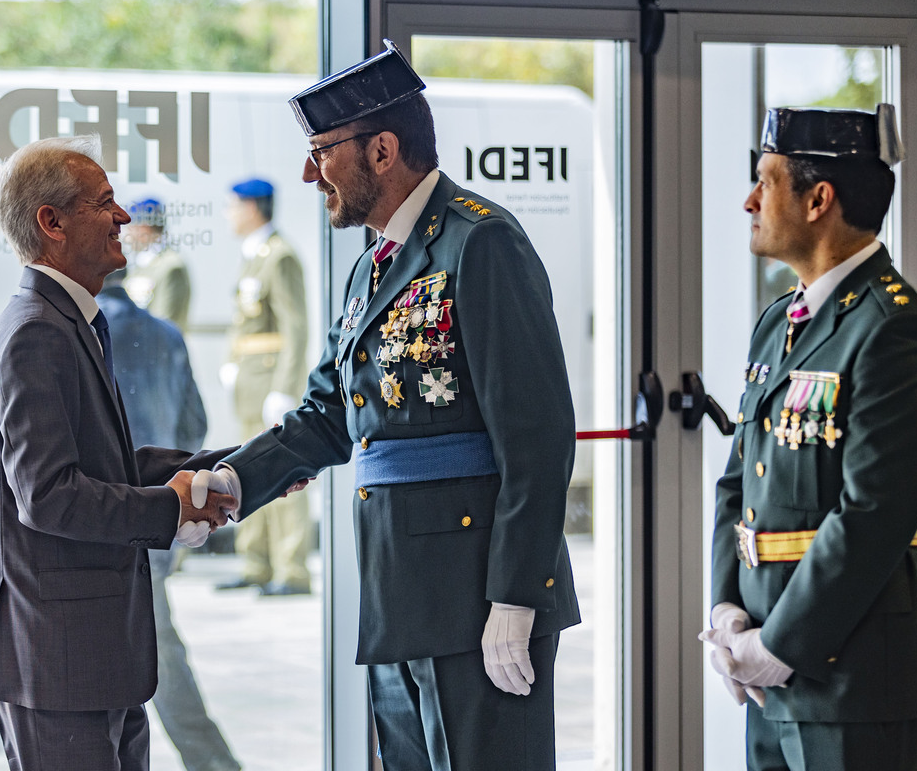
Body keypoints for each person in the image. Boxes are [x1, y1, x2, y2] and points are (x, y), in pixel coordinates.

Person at [190, 41, 580, 769]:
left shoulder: (479, 242)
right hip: (400, 595)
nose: (310, 174)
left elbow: (539, 437)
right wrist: (236, 482)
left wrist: (517, 596)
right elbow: (329, 414)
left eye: (321, 152)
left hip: (478, 600)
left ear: (382, 151)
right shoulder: (372, 268)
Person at [0, 134, 234, 771]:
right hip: (56, 662)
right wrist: (168, 513)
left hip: (90, 660)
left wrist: (242, 467)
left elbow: (108, 466)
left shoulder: (66, 322)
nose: (122, 217)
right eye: (103, 202)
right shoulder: (38, 334)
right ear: (50, 223)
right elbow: (49, 496)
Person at [700, 105, 917, 770]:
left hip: (859, 680)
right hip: (769, 670)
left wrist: (780, 646)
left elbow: (876, 513)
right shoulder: (781, 321)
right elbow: (738, 483)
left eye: (765, 182)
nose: (749, 201)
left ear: (818, 200)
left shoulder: (894, 328)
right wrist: (728, 611)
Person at [96, 268, 242, 771]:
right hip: (164, 517)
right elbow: (192, 426)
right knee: (151, 648)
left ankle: (214, 764)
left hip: (111, 522)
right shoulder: (164, 332)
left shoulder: (85, 335)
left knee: (153, 656)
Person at [215, 177, 313, 597]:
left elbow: (295, 326)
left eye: (233, 206)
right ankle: (255, 561)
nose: (229, 214)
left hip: (271, 378)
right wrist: (233, 362)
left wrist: (285, 386)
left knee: (283, 469)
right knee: (247, 469)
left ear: (253, 207)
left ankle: (291, 569)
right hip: (250, 380)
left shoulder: (280, 257)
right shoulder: (253, 256)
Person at [124, 197, 192, 332]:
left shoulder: (171, 266)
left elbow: (165, 323)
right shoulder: (138, 265)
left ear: (144, 228)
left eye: (130, 227)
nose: (126, 234)